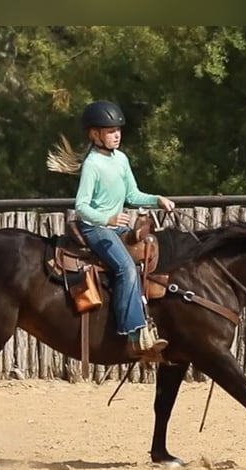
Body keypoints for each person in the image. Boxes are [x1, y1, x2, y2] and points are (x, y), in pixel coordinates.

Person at [72, 100, 175, 357]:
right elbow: (81, 207)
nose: (116, 134)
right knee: (126, 267)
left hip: (114, 228)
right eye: (109, 131)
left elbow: (133, 194)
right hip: (95, 228)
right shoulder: (92, 165)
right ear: (94, 134)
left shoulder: (121, 159)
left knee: (150, 255)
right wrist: (107, 220)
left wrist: (157, 199)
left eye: (117, 129)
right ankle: (135, 333)